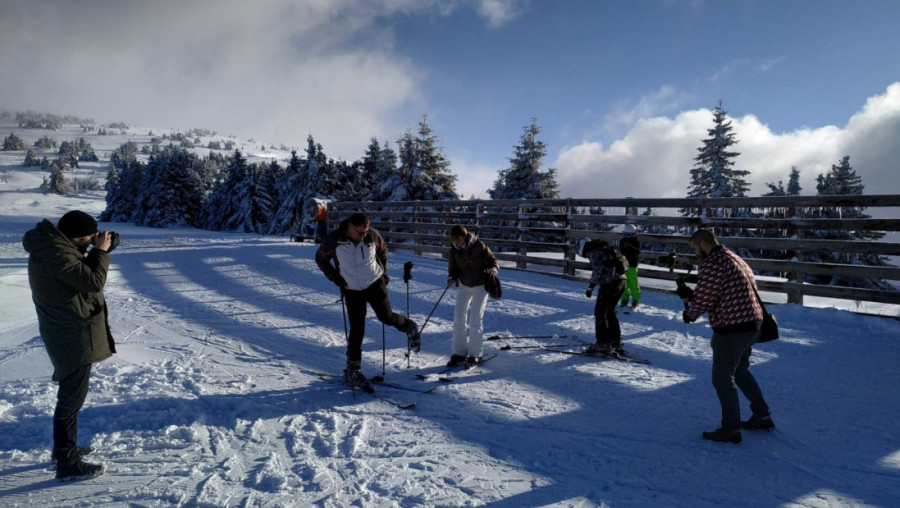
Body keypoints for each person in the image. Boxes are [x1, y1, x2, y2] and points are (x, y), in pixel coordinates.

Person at [22, 210, 116, 481]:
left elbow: (80, 273)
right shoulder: (57, 254)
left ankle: (64, 451)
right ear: (75, 237)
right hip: (71, 334)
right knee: (70, 401)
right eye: (88, 238)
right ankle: (66, 461)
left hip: (67, 331)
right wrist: (100, 253)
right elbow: (92, 281)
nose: (91, 241)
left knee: (71, 397)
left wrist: (95, 251)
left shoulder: (55, 248)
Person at [681, 228, 774, 444]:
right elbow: (721, 291)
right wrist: (693, 299)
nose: (695, 253)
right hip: (753, 324)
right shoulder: (732, 257)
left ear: (704, 244)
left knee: (722, 378)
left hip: (733, 328)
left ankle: (731, 429)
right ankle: (762, 415)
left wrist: (690, 311)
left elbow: (704, 299)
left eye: (695, 248)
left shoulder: (714, 263)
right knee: (740, 371)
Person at [315, 212, 420, 391]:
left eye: (366, 231)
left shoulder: (372, 235)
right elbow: (320, 258)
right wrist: (335, 277)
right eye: (360, 232)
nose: (365, 234)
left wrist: (384, 273)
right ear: (349, 227)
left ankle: (409, 326)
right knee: (357, 328)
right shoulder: (334, 240)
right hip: (351, 288)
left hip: (374, 282)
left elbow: (382, 251)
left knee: (386, 317)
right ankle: (353, 370)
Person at [446, 225, 499, 368]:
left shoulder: (478, 245)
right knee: (458, 318)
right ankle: (460, 353)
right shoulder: (453, 250)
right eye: (453, 240)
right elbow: (453, 269)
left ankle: (476, 355)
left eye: (458, 239)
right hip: (463, 285)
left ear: (465, 236)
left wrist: (493, 270)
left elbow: (493, 260)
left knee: (475, 319)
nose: (456, 242)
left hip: (480, 285)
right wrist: (451, 277)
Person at [576, 237, 628, 356]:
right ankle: (616, 342)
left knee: (600, 312)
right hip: (622, 281)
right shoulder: (603, 248)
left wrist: (591, 286)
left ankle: (603, 344)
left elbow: (598, 270)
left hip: (610, 283)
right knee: (610, 312)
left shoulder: (593, 252)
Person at [618, 224, 641, 308]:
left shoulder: (636, 242)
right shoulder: (622, 241)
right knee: (624, 283)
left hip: (632, 265)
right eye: (625, 235)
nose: (627, 237)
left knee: (633, 283)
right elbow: (621, 252)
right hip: (624, 265)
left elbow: (637, 252)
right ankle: (624, 299)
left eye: (629, 235)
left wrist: (630, 247)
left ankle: (636, 299)